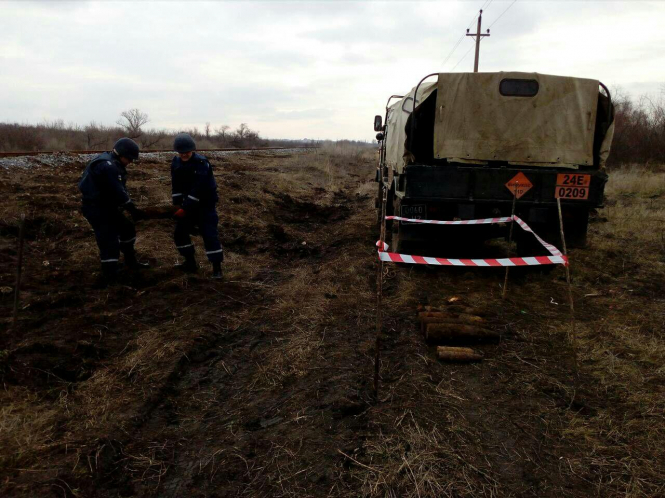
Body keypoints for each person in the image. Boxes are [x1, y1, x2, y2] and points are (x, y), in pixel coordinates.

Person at [78, 137, 149, 285]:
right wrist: (132, 208)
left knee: (127, 229)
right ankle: (110, 275)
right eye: (129, 159)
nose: (130, 162)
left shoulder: (110, 162)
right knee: (109, 240)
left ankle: (131, 262)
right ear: (121, 154)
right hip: (96, 208)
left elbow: (117, 190)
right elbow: (118, 191)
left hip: (107, 207)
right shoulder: (108, 166)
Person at [171, 133, 223, 279]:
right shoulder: (175, 162)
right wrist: (177, 206)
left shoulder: (201, 163)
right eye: (181, 152)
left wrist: (184, 208)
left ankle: (217, 268)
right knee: (180, 234)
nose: (184, 155)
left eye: (186, 152)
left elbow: (198, 189)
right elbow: (176, 186)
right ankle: (190, 263)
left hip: (205, 205)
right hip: (187, 205)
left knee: (209, 235)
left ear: (192, 150)